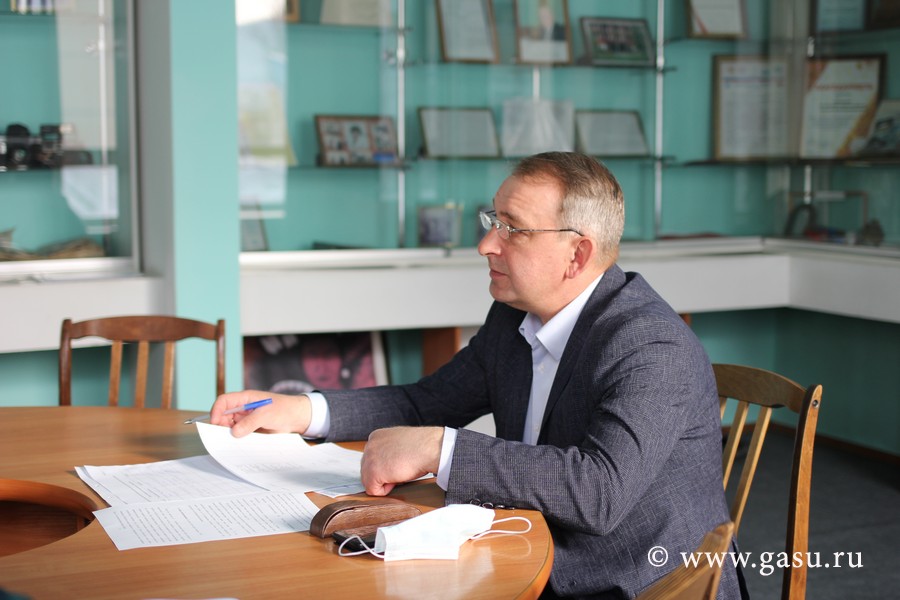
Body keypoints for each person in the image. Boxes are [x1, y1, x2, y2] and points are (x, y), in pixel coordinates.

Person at [210, 152, 744, 599]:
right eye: (494, 222)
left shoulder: (649, 343)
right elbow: (427, 401)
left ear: (577, 254)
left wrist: (440, 448)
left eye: (513, 230)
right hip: (530, 550)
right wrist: (303, 411)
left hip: (639, 585)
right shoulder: (513, 316)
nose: (487, 245)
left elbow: (598, 492)